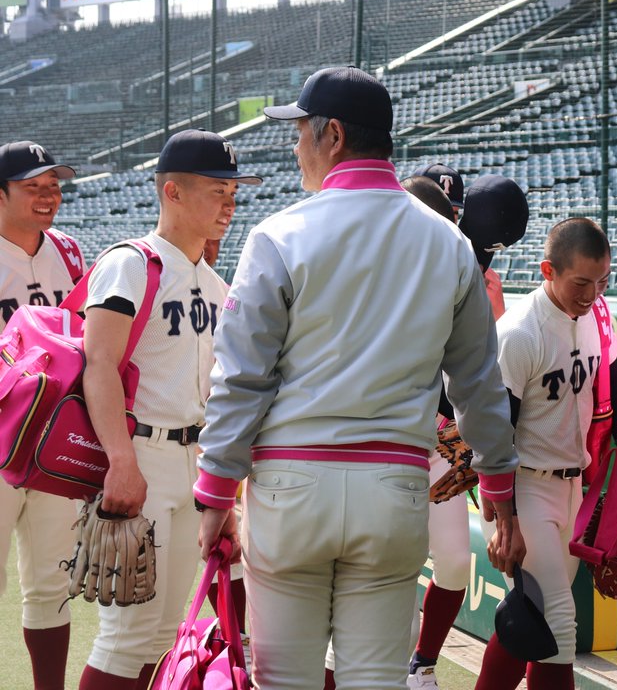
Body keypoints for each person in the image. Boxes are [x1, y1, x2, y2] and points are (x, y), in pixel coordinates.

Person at [192, 66, 523, 690]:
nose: (295, 147)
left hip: (290, 487)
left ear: (334, 135)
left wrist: (214, 494)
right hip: (394, 488)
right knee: (375, 680)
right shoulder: (450, 245)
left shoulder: (278, 234)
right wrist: (501, 497)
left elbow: (240, 379)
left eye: (301, 132)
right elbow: (479, 385)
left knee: (282, 682)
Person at [78, 129, 259, 690]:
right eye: (216, 189)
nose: (229, 202)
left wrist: (219, 488)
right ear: (172, 192)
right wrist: (119, 461)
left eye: (233, 191)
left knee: (161, 638)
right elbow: (98, 365)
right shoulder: (130, 264)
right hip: (141, 456)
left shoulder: (213, 280)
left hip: (192, 460)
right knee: (125, 635)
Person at [475, 217, 615, 690]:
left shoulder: (595, 316)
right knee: (558, 623)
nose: (592, 293)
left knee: (531, 622)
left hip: (571, 486)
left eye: (601, 281)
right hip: (525, 486)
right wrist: (504, 519)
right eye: (581, 282)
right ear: (547, 270)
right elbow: (496, 437)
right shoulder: (519, 331)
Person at [406, 174, 529, 690]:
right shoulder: (398, 263)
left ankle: (423, 665)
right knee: (381, 569)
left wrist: (492, 320)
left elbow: (477, 374)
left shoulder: (469, 262)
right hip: (387, 439)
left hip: (448, 445)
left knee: (455, 563)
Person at [0, 141, 83, 690]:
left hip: (53, 441)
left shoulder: (71, 252)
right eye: (33, 186)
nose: (48, 195)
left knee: (53, 581)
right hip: (1, 438)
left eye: (53, 185)